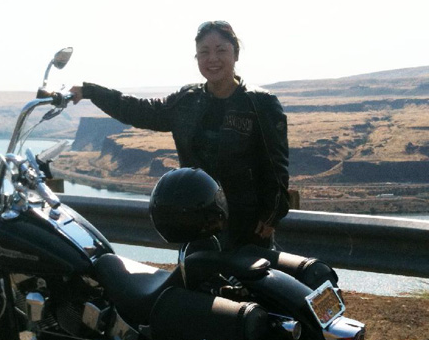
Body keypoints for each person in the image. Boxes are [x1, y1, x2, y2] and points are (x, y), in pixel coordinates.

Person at [70, 20, 289, 249]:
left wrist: (272, 215)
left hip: (246, 225)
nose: (212, 58)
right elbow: (138, 110)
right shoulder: (188, 100)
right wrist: (91, 91)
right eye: (204, 52)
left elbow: (276, 166)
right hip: (196, 222)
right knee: (194, 273)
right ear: (197, 58)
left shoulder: (260, 104)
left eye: (221, 50)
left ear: (236, 54)